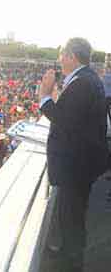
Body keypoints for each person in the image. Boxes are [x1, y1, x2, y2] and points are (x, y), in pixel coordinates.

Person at [38, 38, 110, 271]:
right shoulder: (89, 79)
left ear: (71, 56)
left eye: (61, 55)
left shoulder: (81, 82)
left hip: (75, 166)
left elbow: (65, 121)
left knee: (71, 217)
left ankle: (71, 263)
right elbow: (75, 117)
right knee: (71, 215)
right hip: (83, 164)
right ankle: (69, 254)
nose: (59, 60)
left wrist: (45, 96)